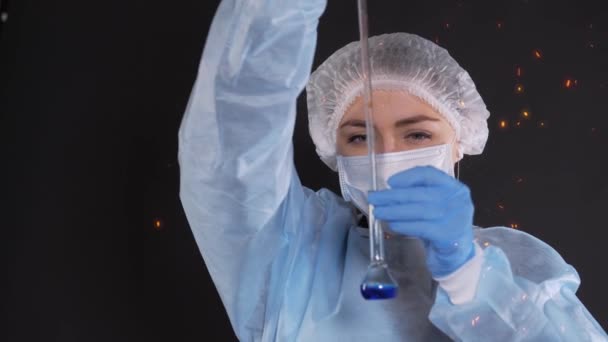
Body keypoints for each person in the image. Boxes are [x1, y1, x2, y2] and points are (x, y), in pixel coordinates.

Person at [178, 0, 608, 340]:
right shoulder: (295, 255)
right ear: (333, 150)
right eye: (360, 138)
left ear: (460, 142)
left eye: (417, 135)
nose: (387, 157)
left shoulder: (516, 272)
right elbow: (232, 138)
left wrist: (469, 276)